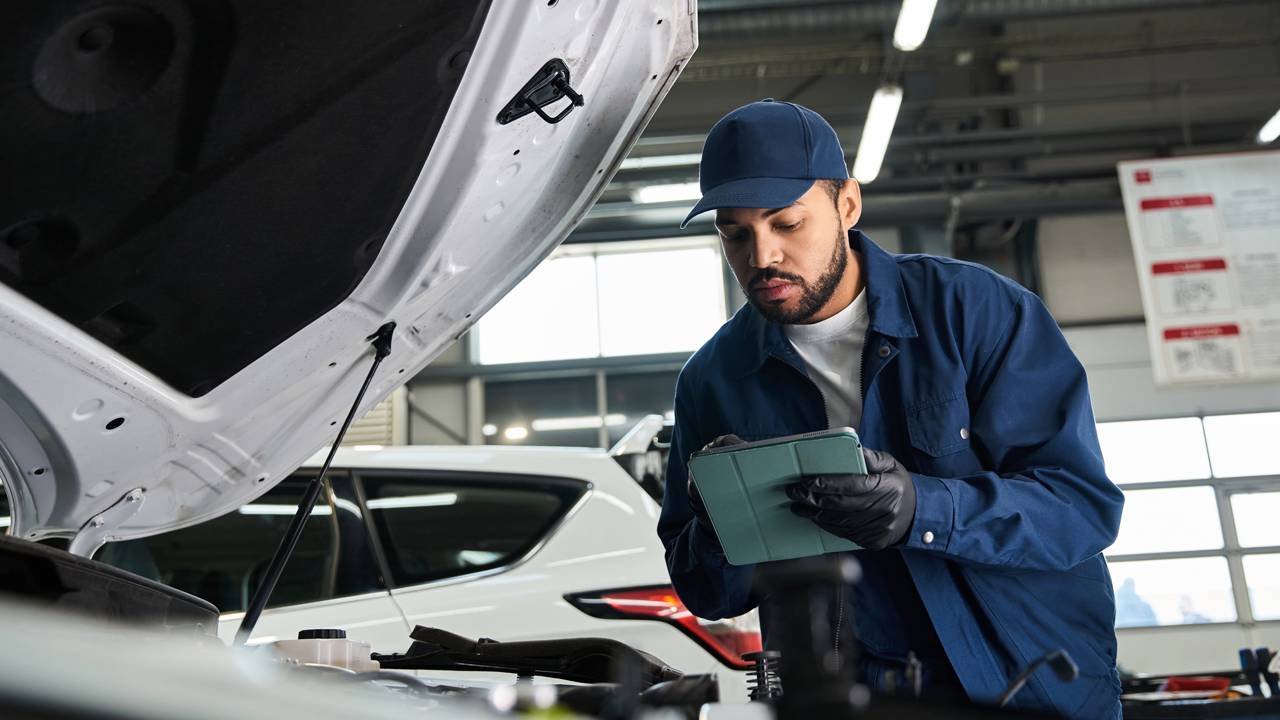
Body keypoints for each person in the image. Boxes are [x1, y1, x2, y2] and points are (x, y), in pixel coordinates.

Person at [657, 99, 1125, 719]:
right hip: (848, 693)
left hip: (1026, 683)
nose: (761, 256)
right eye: (735, 234)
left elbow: (1081, 510)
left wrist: (921, 510)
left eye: (786, 224)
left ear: (847, 205)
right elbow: (706, 593)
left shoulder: (976, 312)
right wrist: (722, 523)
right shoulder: (713, 381)